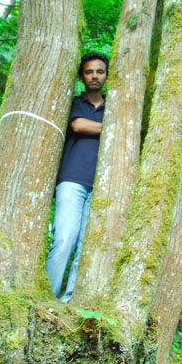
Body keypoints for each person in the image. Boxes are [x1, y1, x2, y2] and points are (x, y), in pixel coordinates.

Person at [46, 51, 109, 301]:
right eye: (89, 72)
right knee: (64, 238)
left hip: (102, 184)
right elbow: (78, 125)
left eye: (99, 72)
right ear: (82, 76)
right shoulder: (74, 103)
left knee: (86, 245)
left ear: (106, 76)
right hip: (72, 179)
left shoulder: (114, 105)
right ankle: (47, 295)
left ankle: (69, 298)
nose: (94, 76)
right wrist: (111, 127)